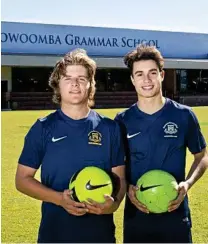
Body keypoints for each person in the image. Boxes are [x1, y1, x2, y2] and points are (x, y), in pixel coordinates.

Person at [15, 49, 126, 243]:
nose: (75, 84)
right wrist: (59, 199)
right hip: (55, 235)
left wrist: (113, 205)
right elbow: (22, 180)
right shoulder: (43, 128)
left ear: (91, 85)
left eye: (82, 79)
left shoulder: (110, 128)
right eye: (68, 78)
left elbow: (120, 179)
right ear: (57, 85)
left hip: (100, 236)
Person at [115, 45, 208, 243]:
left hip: (175, 216)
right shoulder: (122, 120)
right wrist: (127, 187)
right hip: (137, 217)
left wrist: (187, 183)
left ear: (162, 75)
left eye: (152, 73)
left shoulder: (183, 115)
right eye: (139, 74)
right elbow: (116, 166)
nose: (146, 80)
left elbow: (202, 156)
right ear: (132, 79)